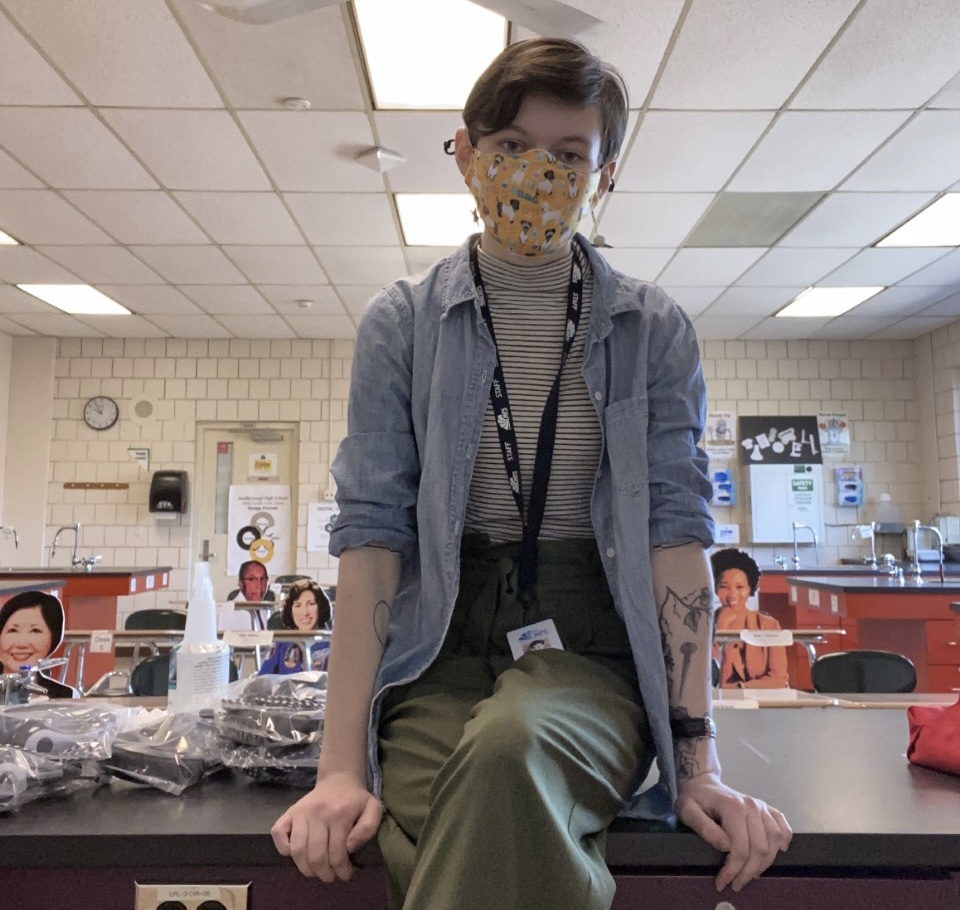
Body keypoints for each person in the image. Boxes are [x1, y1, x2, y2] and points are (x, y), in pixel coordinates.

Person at [271, 37, 791, 908]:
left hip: (592, 645)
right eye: (511, 148)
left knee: (511, 753)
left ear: (604, 174)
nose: (535, 173)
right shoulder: (401, 325)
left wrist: (698, 767)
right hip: (438, 647)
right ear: (467, 155)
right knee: (464, 799)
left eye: (567, 155)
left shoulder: (651, 329)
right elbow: (370, 541)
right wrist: (337, 769)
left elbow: (675, 537)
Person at [711, 548, 789, 689]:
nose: (732, 595)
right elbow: (708, 678)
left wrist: (741, 689)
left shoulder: (768, 626)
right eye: (724, 587)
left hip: (761, 704)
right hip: (719, 706)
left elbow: (778, 678)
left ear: (750, 589)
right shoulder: (705, 625)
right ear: (715, 588)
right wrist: (720, 630)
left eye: (740, 587)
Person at [0, 591, 77, 698]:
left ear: (54, 637)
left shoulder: (64, 695)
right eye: (13, 630)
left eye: (35, 630)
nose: (22, 643)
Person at [258, 580, 332, 675]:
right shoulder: (280, 645)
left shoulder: (333, 646)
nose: (305, 612)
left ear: (321, 607)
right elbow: (263, 680)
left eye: (311, 604)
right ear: (291, 610)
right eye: (298, 605)